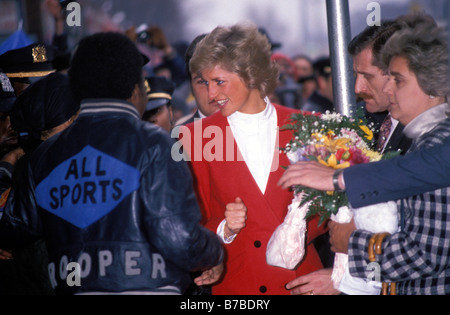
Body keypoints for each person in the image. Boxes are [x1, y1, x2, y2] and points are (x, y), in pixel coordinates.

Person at [0, 32, 224, 295]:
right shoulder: (155, 144)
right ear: (136, 88)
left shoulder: (41, 158)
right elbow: (177, 236)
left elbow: (12, 229)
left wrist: (5, 170)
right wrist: (215, 252)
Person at [281, 14, 450, 295]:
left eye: (397, 80)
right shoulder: (376, 125)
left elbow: (426, 253)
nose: (361, 88)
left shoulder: (436, 141)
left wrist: (354, 247)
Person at [179, 23, 330, 295]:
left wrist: (301, 222)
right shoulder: (193, 138)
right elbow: (186, 227)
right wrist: (224, 228)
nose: (211, 95)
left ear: (250, 75)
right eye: (205, 82)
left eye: (219, 82)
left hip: (301, 284)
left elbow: (335, 215)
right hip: (236, 288)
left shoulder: (309, 126)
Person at [0, 72, 79, 295]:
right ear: (70, 118)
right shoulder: (91, 153)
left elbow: (11, 227)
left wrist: (4, 170)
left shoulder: (31, 163)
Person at [349, 20, 412, 154]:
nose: (357, 89)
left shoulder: (429, 130)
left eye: (367, 76)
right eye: (356, 75)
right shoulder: (366, 119)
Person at [175, 34, 218, 127]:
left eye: (219, 81)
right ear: (191, 87)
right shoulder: (178, 138)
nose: (212, 92)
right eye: (202, 82)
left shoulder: (254, 132)